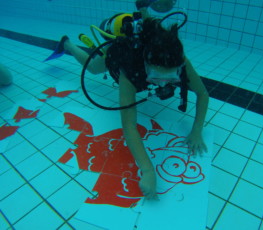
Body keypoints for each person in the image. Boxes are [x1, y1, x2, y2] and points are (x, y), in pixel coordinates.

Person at [45, 1, 209, 200]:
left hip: (148, 33)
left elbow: (202, 94)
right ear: (147, 65)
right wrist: (148, 170)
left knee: (153, 30)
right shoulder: (130, 71)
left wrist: (197, 130)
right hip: (118, 40)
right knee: (95, 68)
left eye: (172, 77)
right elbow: (129, 126)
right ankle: (67, 44)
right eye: (157, 76)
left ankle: (143, 9)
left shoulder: (178, 59)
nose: (164, 83)